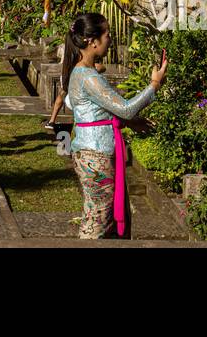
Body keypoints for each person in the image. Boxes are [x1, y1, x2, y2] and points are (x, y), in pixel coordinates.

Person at [63, 12, 168, 239]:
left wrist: (130, 122)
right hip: (95, 155)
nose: (110, 40)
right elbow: (126, 108)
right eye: (107, 35)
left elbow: (99, 112)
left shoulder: (84, 72)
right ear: (93, 41)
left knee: (102, 217)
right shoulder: (87, 76)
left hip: (93, 151)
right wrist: (154, 85)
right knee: (97, 220)